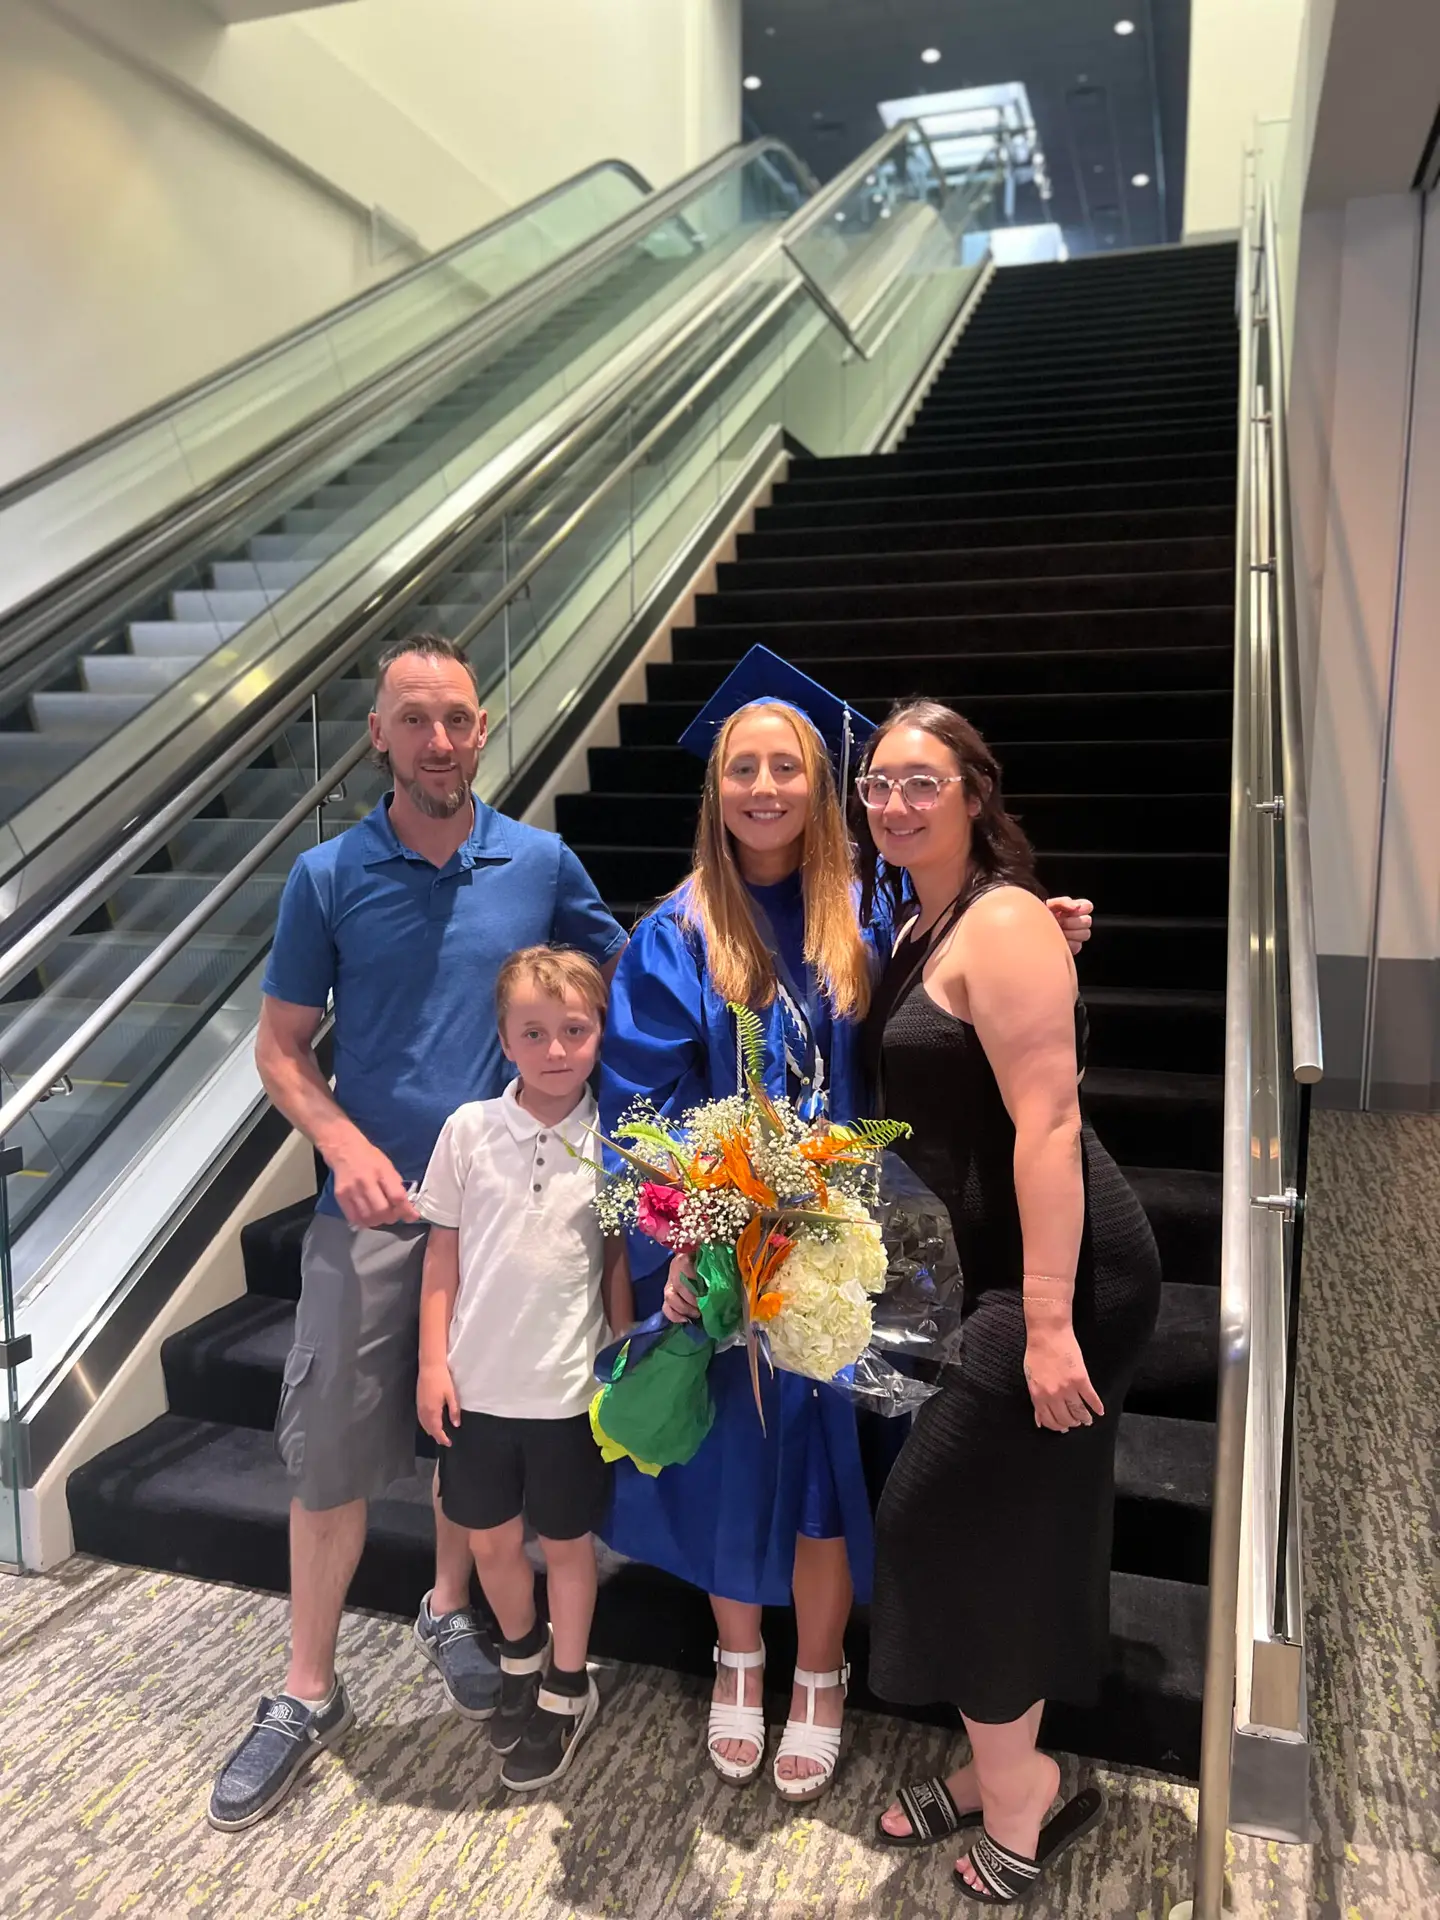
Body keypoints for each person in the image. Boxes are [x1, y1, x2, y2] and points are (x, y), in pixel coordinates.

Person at [598, 647, 1094, 1804]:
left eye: (788, 767)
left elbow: (958, 967)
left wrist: (1039, 933)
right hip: (726, 1243)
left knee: (822, 1462)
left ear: (821, 787)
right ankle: (738, 1657)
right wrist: (699, 1227)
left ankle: (819, 1674)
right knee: (731, 1447)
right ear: (715, 789)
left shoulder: (865, 913)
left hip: (847, 1244)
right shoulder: (676, 932)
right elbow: (639, 1109)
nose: (765, 787)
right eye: (743, 768)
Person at [207, 634, 627, 1832]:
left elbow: (632, 984)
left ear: (482, 729)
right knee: (332, 1455)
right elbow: (281, 1048)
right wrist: (341, 1144)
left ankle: (448, 1608)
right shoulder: (326, 876)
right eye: (414, 720)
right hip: (378, 1211)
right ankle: (307, 1688)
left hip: (507, 1222)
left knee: (475, 1434)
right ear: (378, 736)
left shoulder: (539, 863)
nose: (438, 742)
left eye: (457, 719)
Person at [858, 701, 1161, 1905]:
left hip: (1059, 1275)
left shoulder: (1001, 920)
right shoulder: (923, 918)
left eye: (922, 782)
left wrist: (1044, 1322)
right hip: (986, 1263)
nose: (895, 803)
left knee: (932, 1519)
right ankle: (996, 1770)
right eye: (878, 783)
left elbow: (1049, 1122)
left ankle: (1022, 1787)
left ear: (975, 794)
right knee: (1006, 1526)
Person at [416, 946, 633, 1792]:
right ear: (504, 1040)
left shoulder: (614, 1141)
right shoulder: (468, 1132)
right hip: (476, 1389)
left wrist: (624, 1354)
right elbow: (442, 1258)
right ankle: (521, 1655)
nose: (555, 1049)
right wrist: (432, 1362)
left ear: (599, 1033)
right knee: (491, 1542)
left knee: (569, 1548)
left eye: (574, 1030)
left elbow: (614, 1262)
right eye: (533, 1032)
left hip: (568, 1393)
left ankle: (568, 1685)